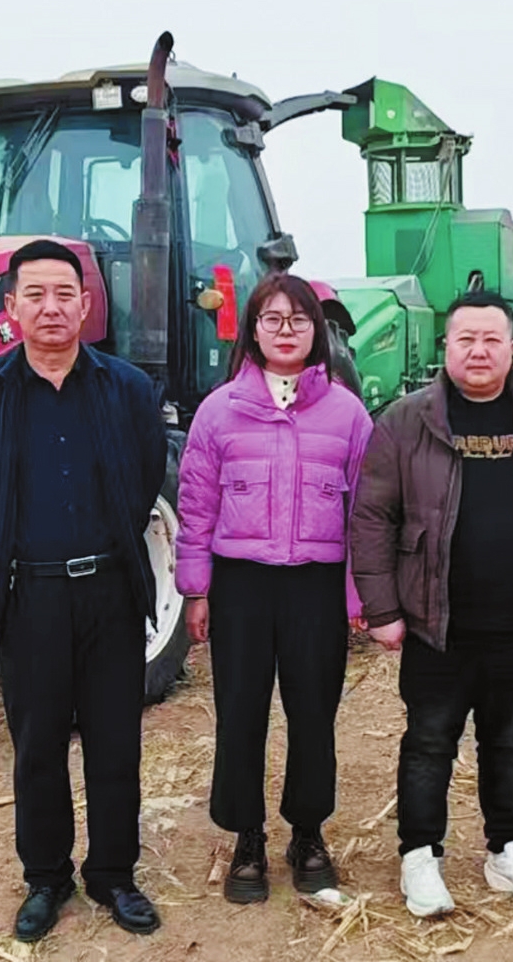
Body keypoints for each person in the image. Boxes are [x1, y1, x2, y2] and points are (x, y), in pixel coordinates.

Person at [0, 239, 167, 942]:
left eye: (64, 294)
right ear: (11, 307)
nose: (51, 307)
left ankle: (114, 874)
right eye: (36, 295)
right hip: (28, 598)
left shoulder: (126, 389)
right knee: (38, 746)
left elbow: (143, 481)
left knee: (114, 742)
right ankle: (46, 878)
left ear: (86, 304)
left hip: (110, 592)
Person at [350, 290, 513, 918]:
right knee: (430, 742)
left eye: (491, 339)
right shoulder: (406, 421)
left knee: (510, 743)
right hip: (437, 623)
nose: (479, 351)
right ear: (446, 346)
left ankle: (507, 850)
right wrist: (383, 609)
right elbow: (372, 517)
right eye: (466, 339)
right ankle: (419, 856)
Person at [175, 273, 373, 904]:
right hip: (242, 585)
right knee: (241, 712)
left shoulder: (347, 412)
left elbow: (366, 513)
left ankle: (308, 834)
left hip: (316, 584)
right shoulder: (218, 411)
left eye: (299, 320)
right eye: (273, 319)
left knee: (313, 712)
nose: (286, 331)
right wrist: (196, 590)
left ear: (318, 332)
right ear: (253, 331)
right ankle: (248, 837)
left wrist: (358, 595)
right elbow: (196, 506)